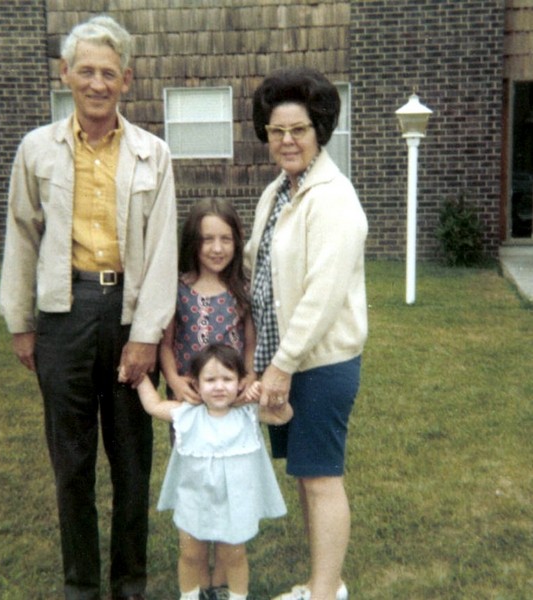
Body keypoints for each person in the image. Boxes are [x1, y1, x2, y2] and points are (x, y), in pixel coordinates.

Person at [0, 15, 177, 600]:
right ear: (65, 74)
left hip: (126, 314)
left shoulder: (152, 154)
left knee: (131, 463)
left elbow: (163, 250)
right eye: (86, 71)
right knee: (71, 464)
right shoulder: (37, 150)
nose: (97, 83)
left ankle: (129, 583)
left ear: (127, 79)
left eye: (109, 73)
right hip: (62, 316)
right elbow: (22, 237)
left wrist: (147, 334)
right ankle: (81, 585)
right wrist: (21, 323)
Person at [245, 67, 368, 600]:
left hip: (318, 364)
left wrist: (280, 366)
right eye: (277, 131)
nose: (287, 140)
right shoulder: (278, 191)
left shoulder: (333, 197)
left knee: (321, 479)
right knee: (305, 475)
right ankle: (323, 583)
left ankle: (324, 593)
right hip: (286, 362)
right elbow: (258, 268)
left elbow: (322, 295)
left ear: (319, 130)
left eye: (298, 129)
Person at [123, 343, 293, 600]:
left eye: (227, 379)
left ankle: (237, 597)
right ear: (196, 384)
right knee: (190, 554)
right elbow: (154, 405)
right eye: (210, 380)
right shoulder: (187, 414)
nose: (219, 386)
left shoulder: (248, 413)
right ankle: (189, 596)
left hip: (235, 503)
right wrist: (139, 377)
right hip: (194, 500)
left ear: (240, 383)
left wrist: (264, 395)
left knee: (234, 556)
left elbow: (283, 416)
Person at [158, 197, 256, 598]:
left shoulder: (241, 288)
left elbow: (249, 343)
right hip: (193, 407)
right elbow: (166, 344)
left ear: (237, 241)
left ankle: (222, 576)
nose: (217, 248)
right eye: (207, 239)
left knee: (229, 487)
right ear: (192, 243)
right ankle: (196, 567)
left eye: (225, 239)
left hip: (231, 408)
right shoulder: (178, 289)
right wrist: (173, 379)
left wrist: (249, 377)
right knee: (197, 485)